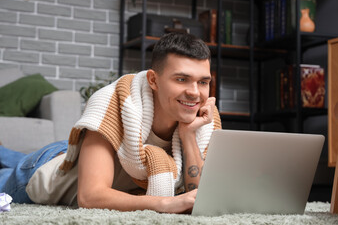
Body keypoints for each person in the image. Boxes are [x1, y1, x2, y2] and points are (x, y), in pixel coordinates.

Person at [0, 32, 222, 214]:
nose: (194, 93)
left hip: (85, 154)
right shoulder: (115, 102)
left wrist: (189, 135)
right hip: (46, 169)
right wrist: (163, 203)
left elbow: (199, 196)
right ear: (153, 80)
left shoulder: (203, 119)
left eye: (203, 82)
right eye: (181, 79)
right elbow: (90, 195)